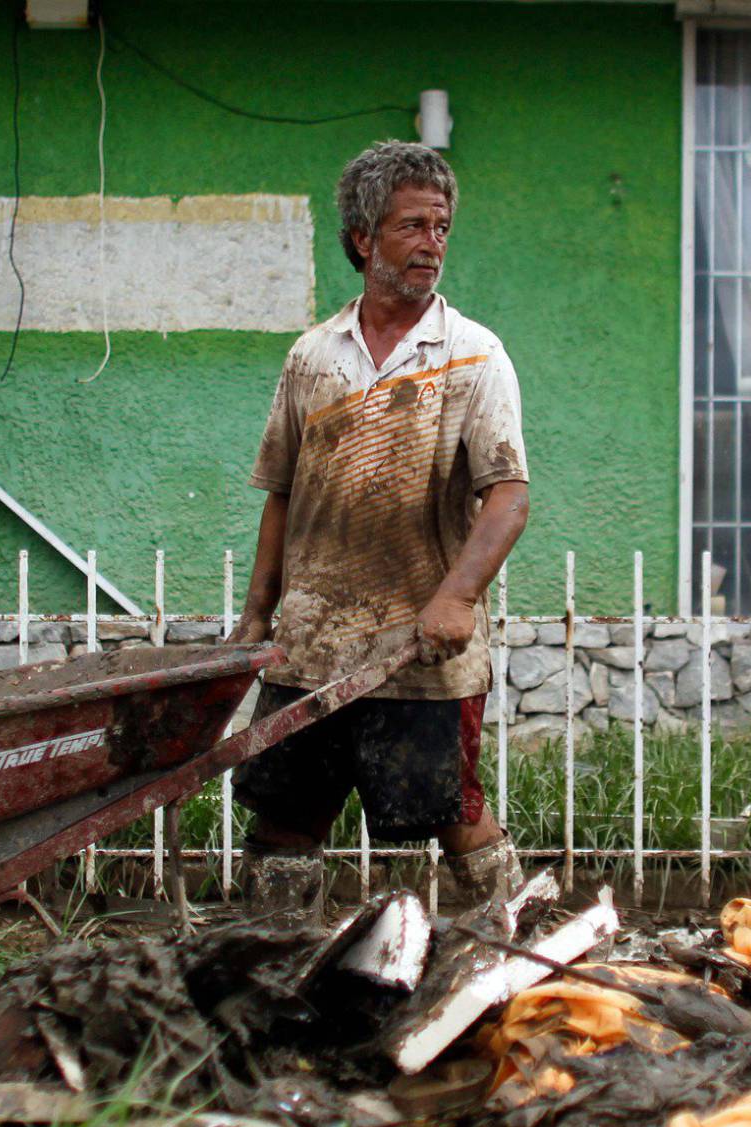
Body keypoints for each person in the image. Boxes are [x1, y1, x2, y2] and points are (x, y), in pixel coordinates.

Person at [228, 140, 531, 912]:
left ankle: (524, 950)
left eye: (442, 227)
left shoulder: (473, 355)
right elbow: (282, 495)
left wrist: (457, 597)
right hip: (312, 644)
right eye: (413, 226)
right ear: (362, 238)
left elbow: (508, 498)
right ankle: (268, 962)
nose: (433, 243)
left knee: (451, 810)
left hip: (420, 648)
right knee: (285, 818)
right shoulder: (312, 358)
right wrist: (258, 615)